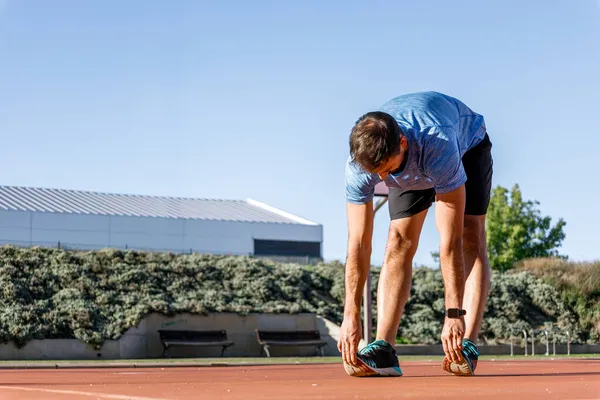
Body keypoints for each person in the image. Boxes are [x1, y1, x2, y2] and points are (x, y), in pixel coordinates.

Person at [338, 91, 493, 377]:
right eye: (378, 173)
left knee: (470, 233)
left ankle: (467, 342)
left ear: (402, 143)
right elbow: (358, 244)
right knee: (397, 240)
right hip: (412, 159)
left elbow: (450, 241)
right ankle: (383, 348)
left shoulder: (439, 145)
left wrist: (454, 313)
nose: (384, 180)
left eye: (388, 170)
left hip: (466, 146)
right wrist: (350, 315)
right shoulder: (360, 167)